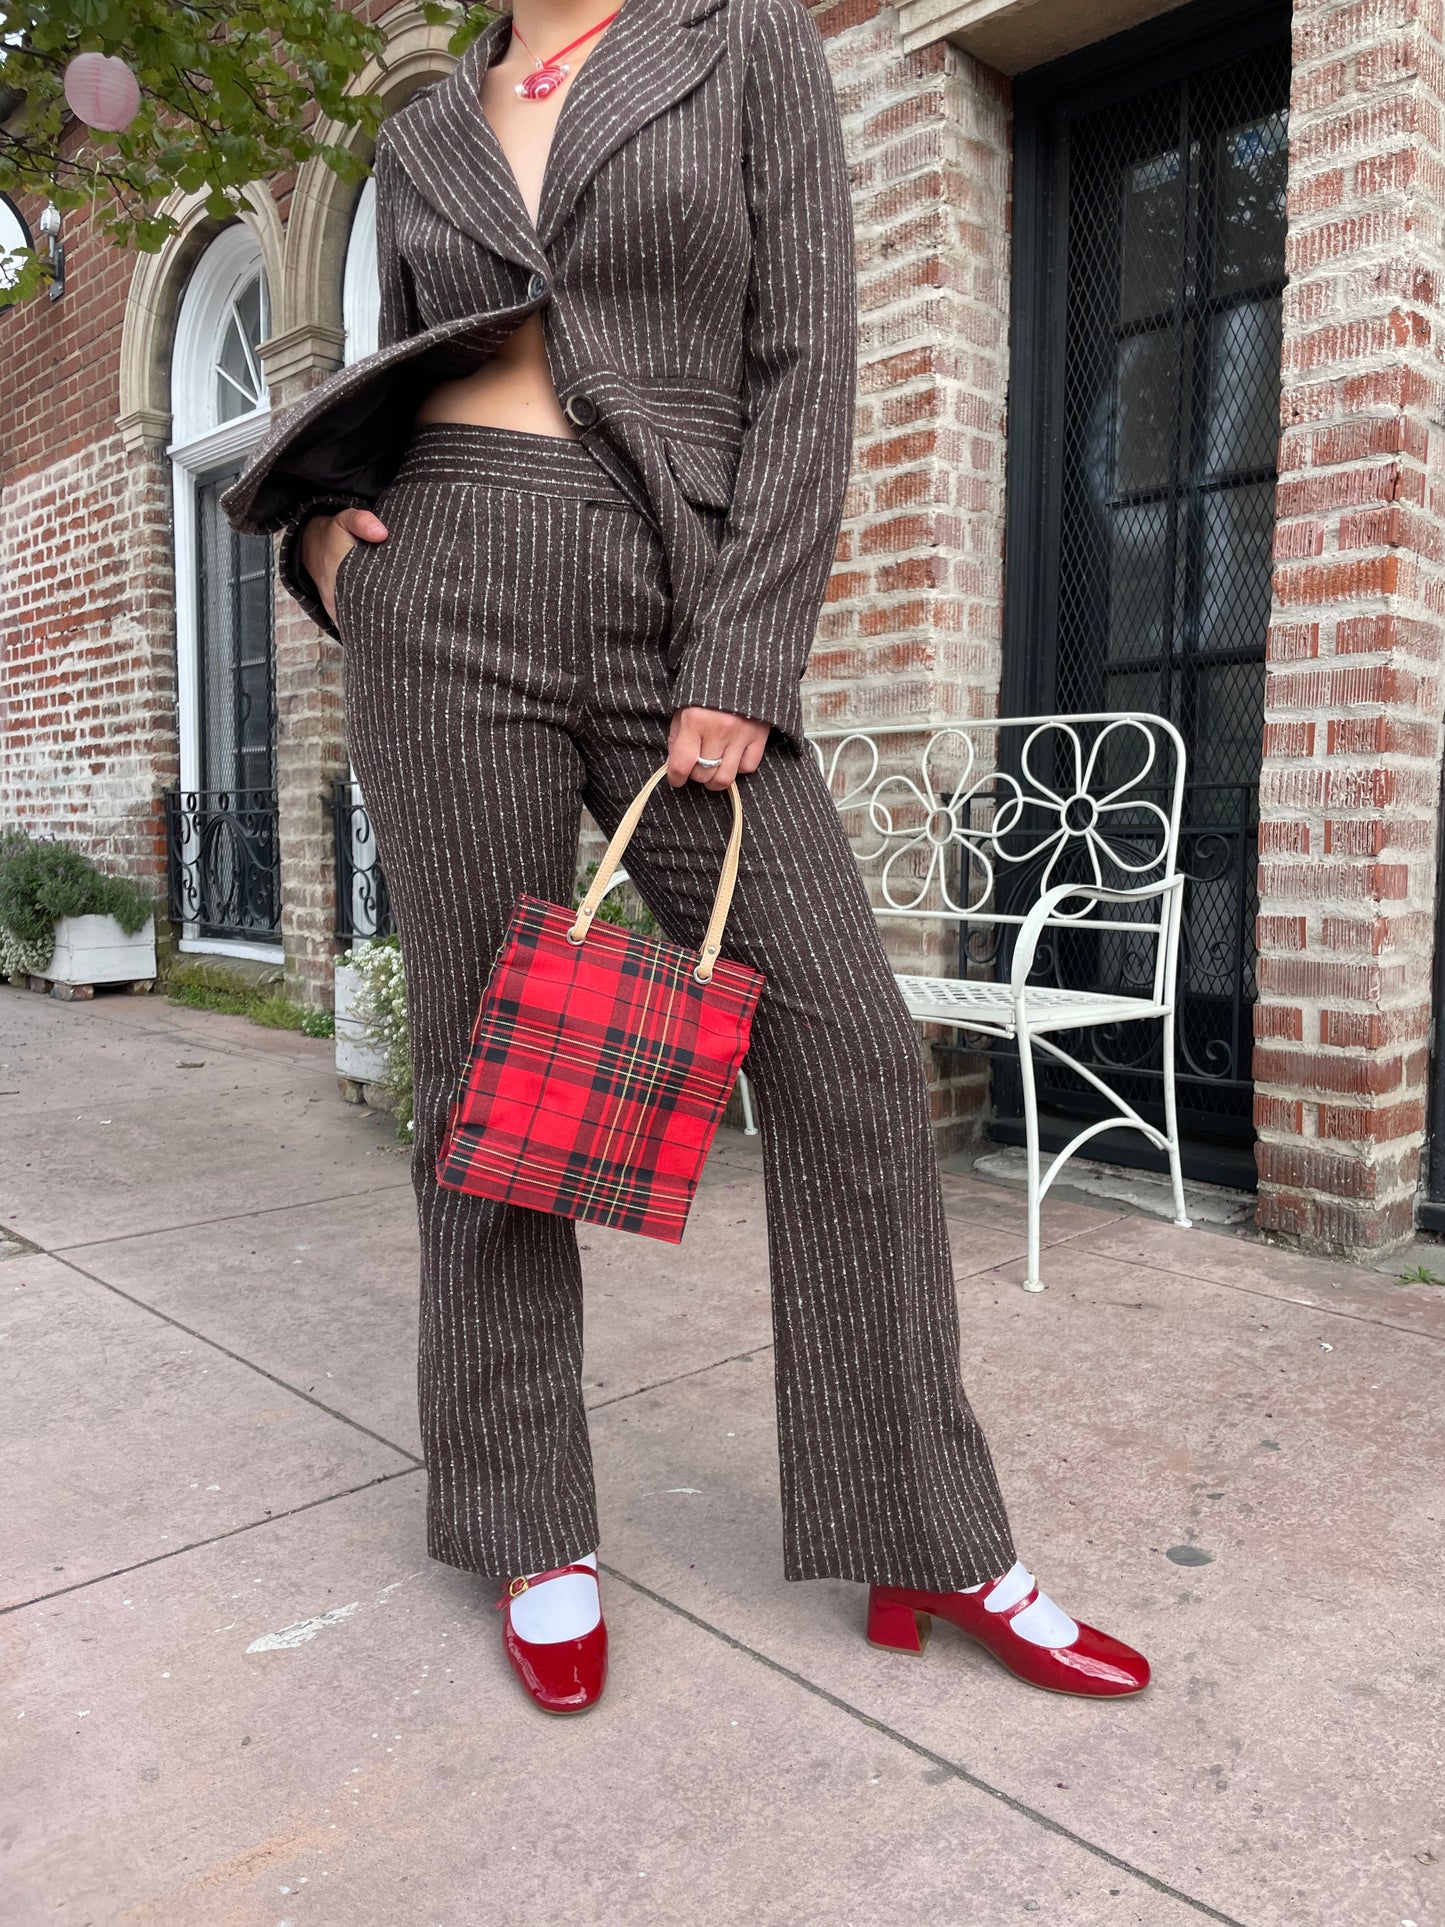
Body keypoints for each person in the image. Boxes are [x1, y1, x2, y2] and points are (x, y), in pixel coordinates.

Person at [223, 0, 1151, 1715]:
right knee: (487, 1086)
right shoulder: (424, 123)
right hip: (445, 593)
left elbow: (806, 357)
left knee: (852, 1060)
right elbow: (398, 382)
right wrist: (338, 569)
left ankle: (923, 1530)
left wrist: (744, 655)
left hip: (675, 597)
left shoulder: (740, 44)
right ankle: (528, 1528)